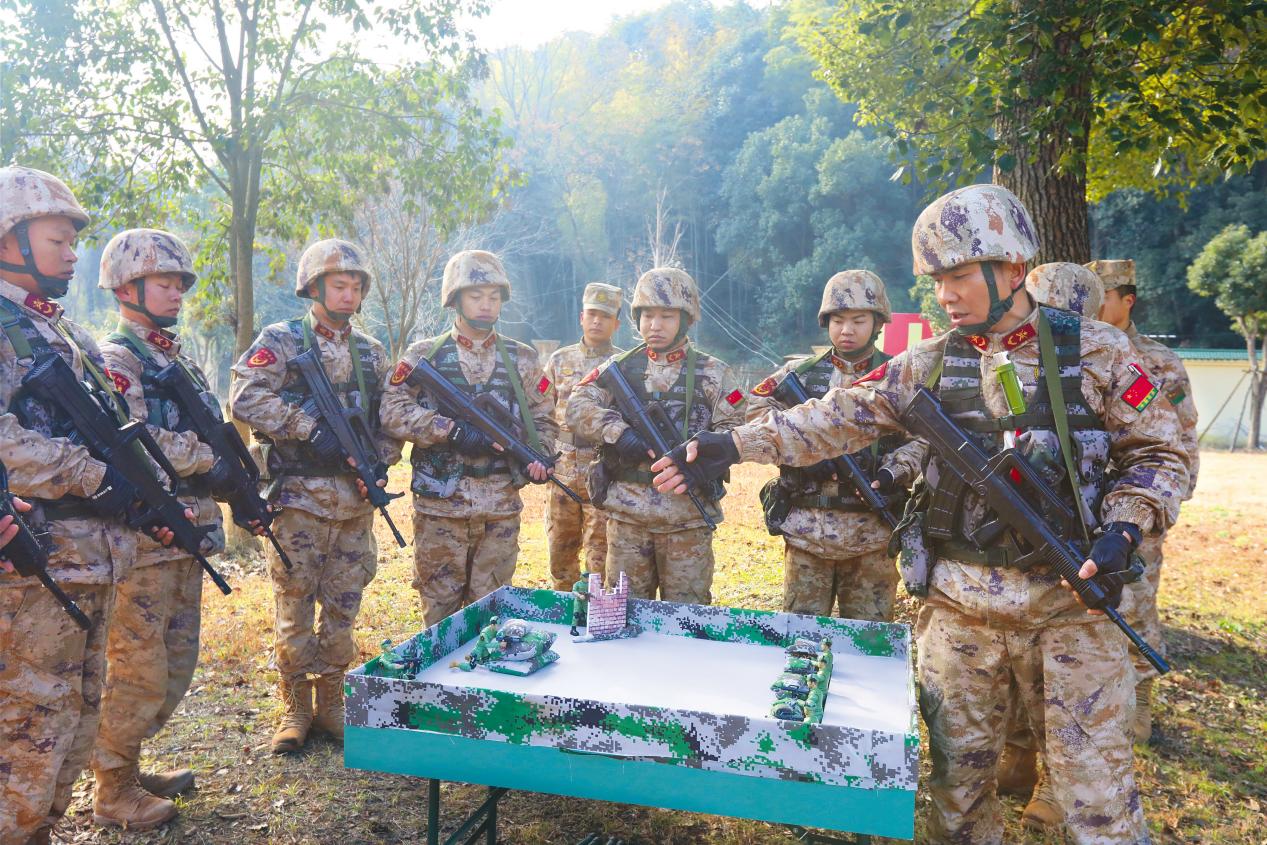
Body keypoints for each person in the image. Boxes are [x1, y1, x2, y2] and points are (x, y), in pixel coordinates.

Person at [653, 184, 1188, 844]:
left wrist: (1124, 528)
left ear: (1012, 269)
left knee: (1099, 805)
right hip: (960, 617)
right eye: (936, 280)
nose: (946, 295)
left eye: (958, 275)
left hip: (1072, 611)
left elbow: (1159, 453)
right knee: (956, 797)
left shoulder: (1098, 351)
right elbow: (834, 416)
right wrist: (730, 444)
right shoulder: (929, 363)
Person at [0, 166, 161, 844]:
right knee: (28, 727)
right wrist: (90, 474)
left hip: (89, 563)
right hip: (33, 568)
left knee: (74, 718)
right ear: (9, 239)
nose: (72, 254)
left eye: (72, 241)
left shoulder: (62, 331)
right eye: (57, 240)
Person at [230, 238, 399, 754]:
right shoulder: (280, 341)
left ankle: (332, 704)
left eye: (355, 287)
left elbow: (389, 417)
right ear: (314, 288)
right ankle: (295, 709)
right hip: (298, 501)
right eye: (339, 285)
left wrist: (378, 463)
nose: (348, 295)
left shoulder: (371, 352)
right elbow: (244, 396)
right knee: (294, 604)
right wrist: (307, 428)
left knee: (345, 605)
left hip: (353, 503)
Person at [91, 228, 232, 828]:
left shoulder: (175, 357)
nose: (177, 293)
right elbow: (136, 442)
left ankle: (127, 763)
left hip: (186, 533)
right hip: (147, 537)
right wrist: (208, 458)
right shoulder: (117, 358)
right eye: (164, 282)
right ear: (127, 288)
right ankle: (112, 787)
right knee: (137, 668)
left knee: (176, 662)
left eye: (180, 284)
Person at [379, 250, 555, 626]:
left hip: (500, 508)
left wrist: (540, 455)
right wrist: (450, 431)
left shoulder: (522, 359)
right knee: (440, 614)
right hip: (441, 508)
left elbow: (544, 419)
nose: (486, 305)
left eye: (494, 297)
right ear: (455, 299)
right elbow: (391, 411)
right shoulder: (424, 355)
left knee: (492, 615)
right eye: (476, 296)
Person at [747, 269, 922, 622]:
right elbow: (754, 412)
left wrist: (894, 470)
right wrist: (803, 451)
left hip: (873, 535)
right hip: (806, 536)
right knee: (802, 638)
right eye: (838, 320)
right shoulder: (798, 373)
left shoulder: (899, 377)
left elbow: (924, 438)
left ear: (878, 323)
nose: (847, 330)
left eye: (858, 321)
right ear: (826, 321)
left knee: (869, 640)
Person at [566, 267, 746, 604]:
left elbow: (733, 430)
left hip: (687, 520)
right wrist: (618, 433)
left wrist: (700, 456)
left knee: (687, 616)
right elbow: (576, 407)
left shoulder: (713, 372)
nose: (655, 325)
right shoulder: (618, 368)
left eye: (666, 316)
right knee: (624, 614)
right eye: (647, 315)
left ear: (686, 319)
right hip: (628, 520)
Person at [1092, 258, 1199, 740]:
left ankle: (1140, 696)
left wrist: (1167, 502)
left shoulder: (1157, 361)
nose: (1094, 306)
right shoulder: (1076, 352)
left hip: (1140, 501)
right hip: (1088, 502)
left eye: (1104, 297)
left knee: (1137, 599)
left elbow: (1183, 431)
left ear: (1127, 300)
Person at [542, 283, 623, 589]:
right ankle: (565, 610)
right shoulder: (558, 361)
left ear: (617, 323)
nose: (597, 321)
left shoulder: (624, 365)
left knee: (600, 558)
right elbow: (540, 412)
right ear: (581, 317)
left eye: (605, 316)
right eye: (591, 314)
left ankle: (596, 612)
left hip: (604, 471)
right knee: (560, 553)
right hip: (562, 471)